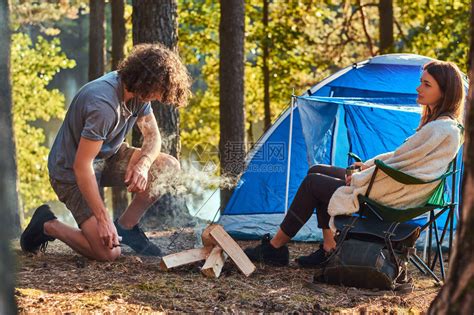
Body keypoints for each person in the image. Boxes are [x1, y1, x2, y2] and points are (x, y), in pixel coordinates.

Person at [244, 60, 465, 267]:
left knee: (314, 183)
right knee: (317, 170)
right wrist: (368, 166)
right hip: (395, 187)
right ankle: (329, 247)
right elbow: (401, 158)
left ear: (444, 92)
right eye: (421, 82)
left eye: (426, 84)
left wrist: (360, 179)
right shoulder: (442, 126)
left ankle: (274, 248)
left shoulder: (439, 129)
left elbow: (402, 167)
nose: (419, 88)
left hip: (392, 195)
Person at [20, 43, 192, 261]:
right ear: (146, 81)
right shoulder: (103, 105)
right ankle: (48, 225)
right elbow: (82, 167)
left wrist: (143, 164)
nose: (159, 97)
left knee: (167, 167)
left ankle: (126, 227)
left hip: (106, 157)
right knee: (108, 253)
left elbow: (153, 136)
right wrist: (102, 219)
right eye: (159, 91)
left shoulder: (137, 93)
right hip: (71, 172)